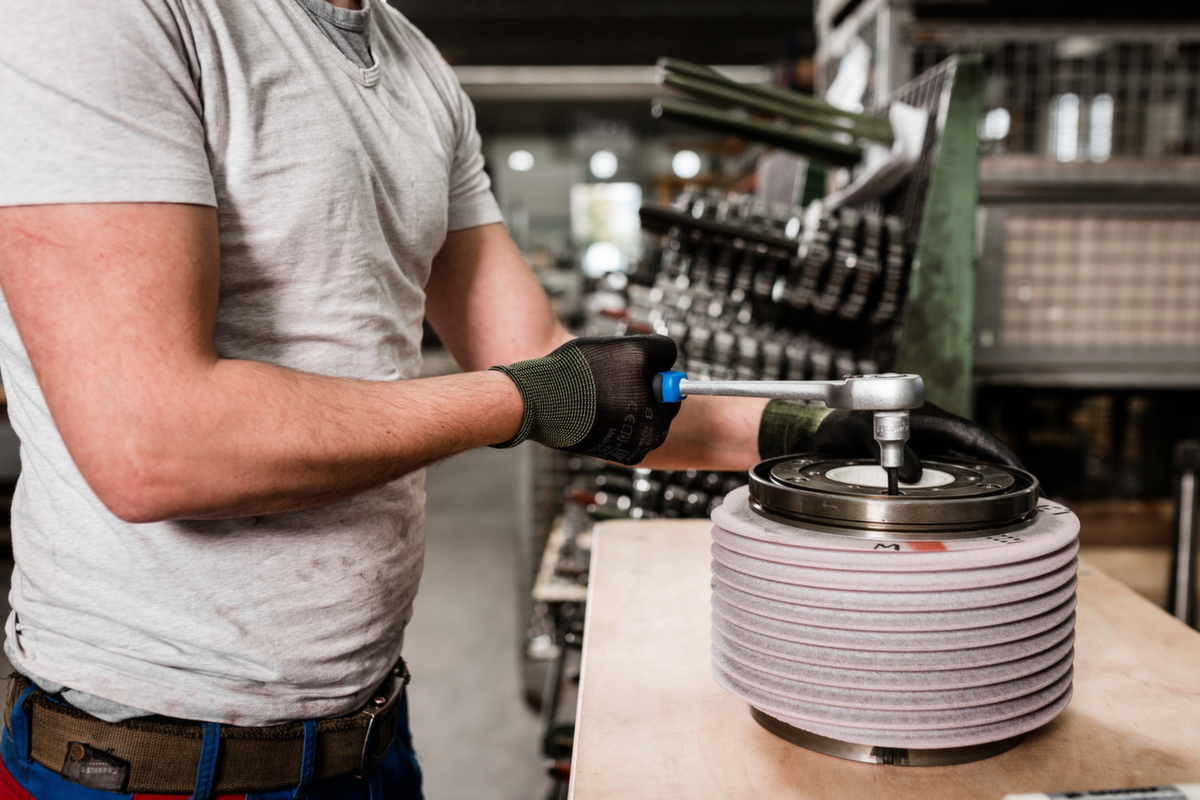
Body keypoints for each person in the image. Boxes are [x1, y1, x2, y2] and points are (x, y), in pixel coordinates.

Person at [0, 1, 1020, 797]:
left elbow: (562, 370)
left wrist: (814, 430)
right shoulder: (106, 14)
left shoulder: (415, 70)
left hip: (371, 737)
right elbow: (153, 445)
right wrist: (524, 399)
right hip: (150, 762)